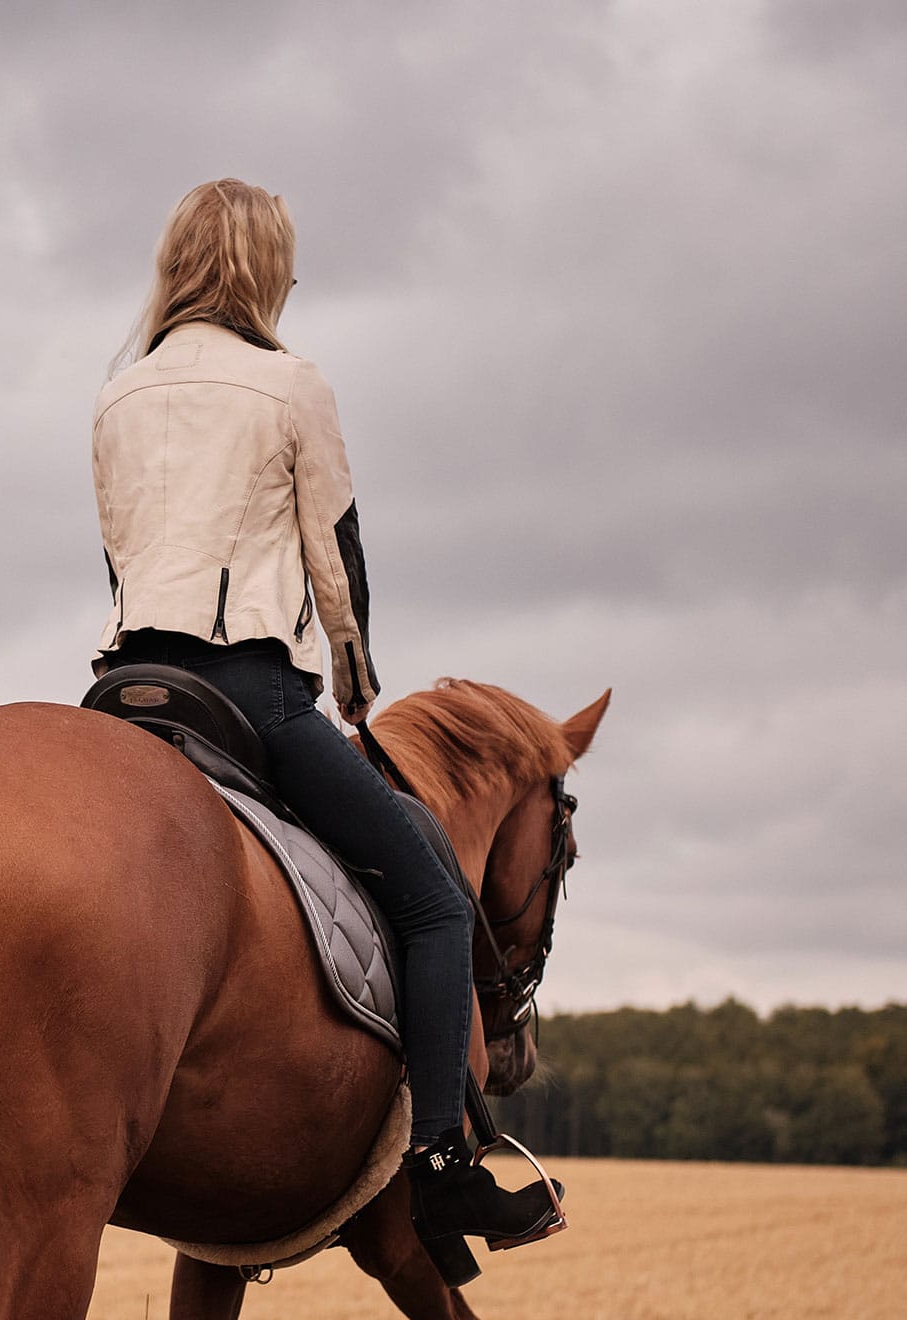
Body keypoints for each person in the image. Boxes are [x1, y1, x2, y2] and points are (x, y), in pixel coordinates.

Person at [91, 178, 560, 1261]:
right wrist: (353, 682)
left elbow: (120, 554)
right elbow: (332, 556)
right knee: (439, 897)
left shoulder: (118, 395)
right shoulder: (292, 384)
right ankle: (443, 1164)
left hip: (124, 693)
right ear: (263, 271)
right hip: (249, 689)